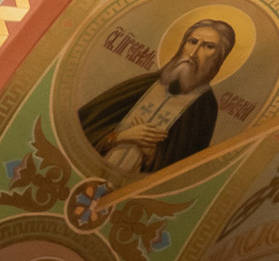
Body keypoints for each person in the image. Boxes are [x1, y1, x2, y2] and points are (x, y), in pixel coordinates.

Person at [79, 16, 237, 177]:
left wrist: (152, 155)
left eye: (208, 47)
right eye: (192, 42)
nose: (194, 53)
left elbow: (180, 176)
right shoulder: (143, 84)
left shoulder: (204, 109)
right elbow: (85, 126)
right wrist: (120, 136)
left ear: (219, 58)